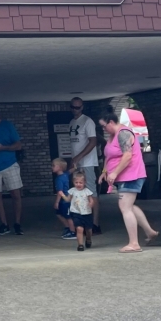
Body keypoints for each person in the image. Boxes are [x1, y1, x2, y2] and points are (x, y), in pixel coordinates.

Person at [99, 108, 158, 253]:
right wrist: (105, 171)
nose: (103, 129)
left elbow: (127, 156)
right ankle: (149, 231)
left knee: (125, 207)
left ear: (111, 122)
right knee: (129, 206)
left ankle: (134, 243)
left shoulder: (123, 133)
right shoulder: (112, 136)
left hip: (131, 175)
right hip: (123, 176)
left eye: (104, 126)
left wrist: (114, 173)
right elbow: (109, 155)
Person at [68, 98, 102, 233]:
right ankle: (83, 222)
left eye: (78, 107)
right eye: (73, 107)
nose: (75, 110)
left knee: (91, 193)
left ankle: (95, 224)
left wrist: (79, 157)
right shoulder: (72, 122)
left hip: (88, 163)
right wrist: (73, 160)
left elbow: (93, 141)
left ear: (82, 107)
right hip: (77, 163)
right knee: (79, 192)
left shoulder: (88, 121)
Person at [61, 169, 96, 251]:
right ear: (73, 182)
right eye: (76, 182)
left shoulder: (87, 191)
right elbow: (68, 200)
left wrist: (91, 203)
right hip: (76, 213)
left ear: (84, 182)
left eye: (80, 183)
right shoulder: (72, 191)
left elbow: (92, 200)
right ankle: (80, 245)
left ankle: (88, 239)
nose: (78, 184)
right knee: (79, 229)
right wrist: (62, 195)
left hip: (87, 213)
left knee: (88, 229)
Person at [51, 158, 76, 239]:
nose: (52, 167)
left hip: (65, 201)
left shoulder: (59, 179)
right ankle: (68, 227)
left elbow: (60, 192)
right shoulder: (65, 174)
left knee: (68, 217)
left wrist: (57, 202)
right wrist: (74, 168)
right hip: (64, 200)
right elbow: (70, 171)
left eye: (53, 165)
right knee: (59, 214)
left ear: (59, 167)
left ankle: (72, 232)